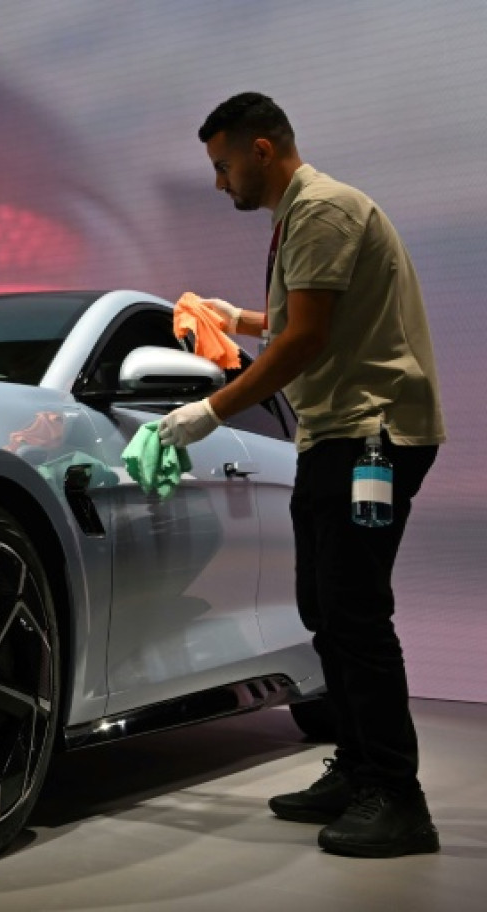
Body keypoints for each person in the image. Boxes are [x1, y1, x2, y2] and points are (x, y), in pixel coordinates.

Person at [158, 92, 446, 858]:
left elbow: (307, 341)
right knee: (325, 607)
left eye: (223, 167)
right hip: (334, 436)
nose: (220, 184)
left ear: (261, 151)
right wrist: (240, 318)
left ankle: (397, 796)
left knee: (354, 610)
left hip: (373, 439)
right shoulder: (300, 220)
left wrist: (205, 414)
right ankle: (357, 770)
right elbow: (298, 323)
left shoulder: (323, 210)